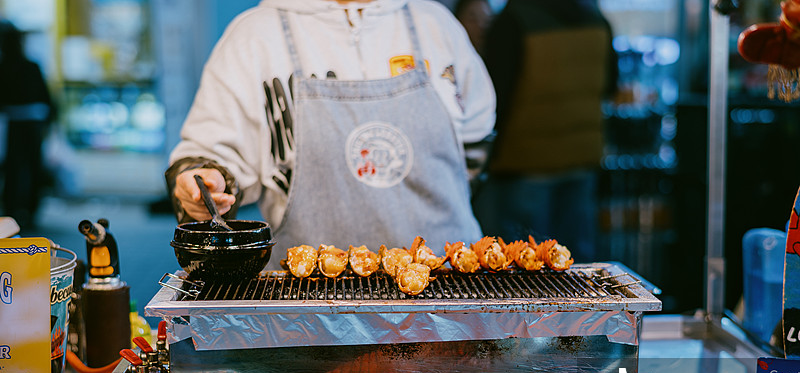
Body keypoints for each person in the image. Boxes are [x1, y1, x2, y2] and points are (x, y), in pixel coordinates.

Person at [166, 0, 495, 268]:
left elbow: (475, 141)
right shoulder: (255, 36)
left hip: (450, 292)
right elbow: (210, 156)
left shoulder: (435, 24)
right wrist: (206, 183)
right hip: (306, 303)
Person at [473, 0, 617, 263]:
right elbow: (611, 84)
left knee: (523, 262)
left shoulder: (514, 18)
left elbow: (495, 96)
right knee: (576, 261)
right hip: (582, 157)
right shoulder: (595, 17)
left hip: (527, 161)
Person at [0, 20, 56, 230]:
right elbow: (46, 98)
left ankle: (12, 212)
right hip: (34, 124)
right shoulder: (31, 66)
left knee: (13, 170)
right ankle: (30, 213)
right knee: (33, 168)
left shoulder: (4, 67)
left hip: (12, 124)